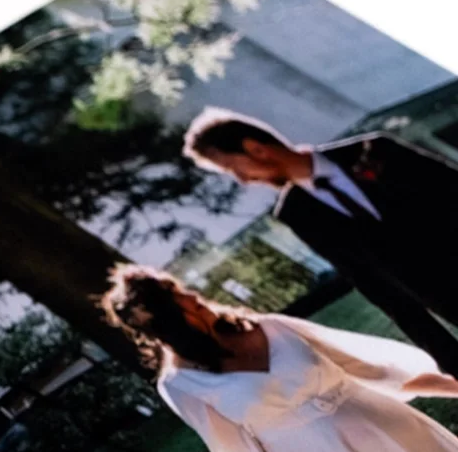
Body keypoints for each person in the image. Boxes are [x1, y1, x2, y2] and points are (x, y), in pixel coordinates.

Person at [100, 265, 458, 452]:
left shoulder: (270, 326)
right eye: (179, 299)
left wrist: (453, 385)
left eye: (181, 289)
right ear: (167, 323)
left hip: (395, 431)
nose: (193, 297)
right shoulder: (181, 384)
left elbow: (375, 371)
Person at [182, 108, 458, 373]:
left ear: (255, 149)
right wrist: (449, 357)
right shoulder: (295, 214)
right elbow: (376, 288)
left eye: (232, 168)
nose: (242, 180)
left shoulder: (373, 150)